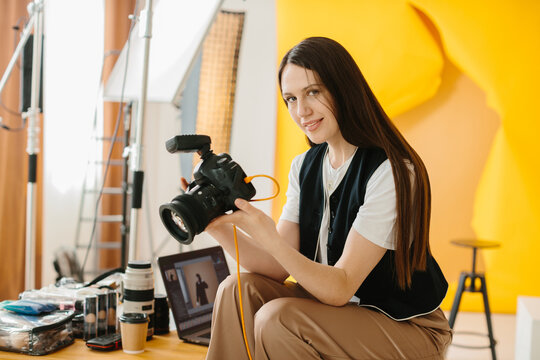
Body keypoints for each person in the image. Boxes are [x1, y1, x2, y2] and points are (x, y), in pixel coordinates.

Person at [199, 37, 451, 359]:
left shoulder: (390, 171)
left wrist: (265, 233)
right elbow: (276, 268)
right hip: (340, 314)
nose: (301, 111)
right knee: (236, 289)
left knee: (278, 320)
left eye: (313, 92)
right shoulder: (305, 166)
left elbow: (340, 287)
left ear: (342, 89)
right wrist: (215, 223)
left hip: (405, 327)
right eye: (290, 98)